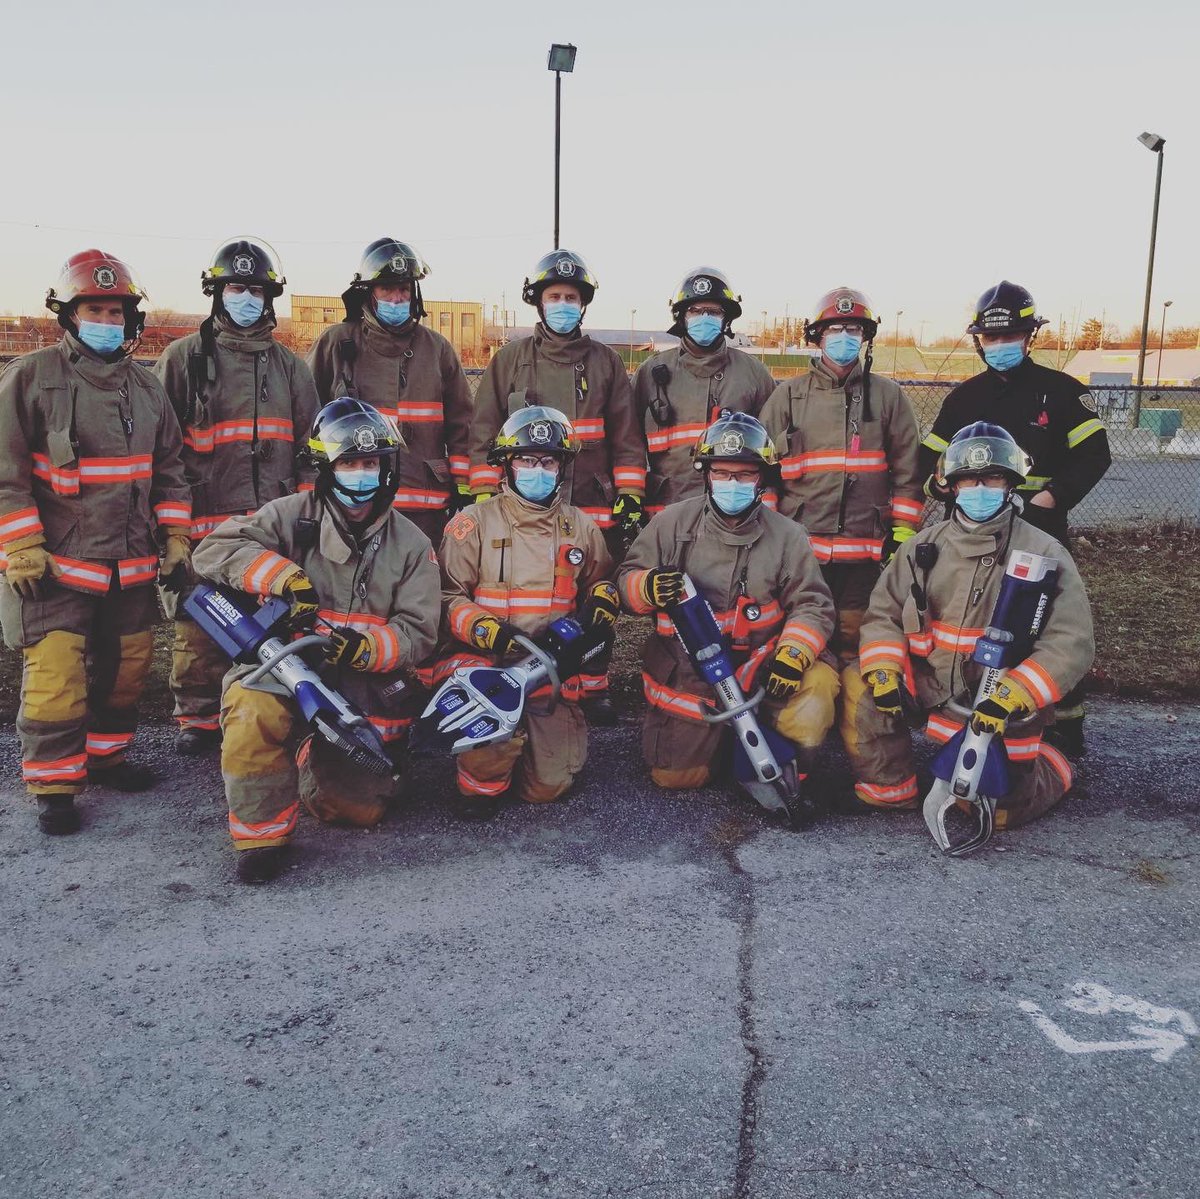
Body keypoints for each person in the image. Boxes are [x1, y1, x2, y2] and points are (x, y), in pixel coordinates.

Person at [191, 399, 440, 883]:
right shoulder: (288, 515)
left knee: (357, 810)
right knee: (251, 710)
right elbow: (215, 550)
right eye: (349, 463)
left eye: (371, 463)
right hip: (282, 664)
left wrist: (366, 649)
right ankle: (261, 838)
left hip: (359, 682)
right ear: (327, 466)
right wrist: (284, 577)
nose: (362, 474)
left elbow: (420, 631)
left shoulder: (411, 544)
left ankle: (311, 755)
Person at [0, 250, 192, 835]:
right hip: (56, 568)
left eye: (116, 311)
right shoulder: (29, 378)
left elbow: (170, 469)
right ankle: (55, 783)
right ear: (69, 315)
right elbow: (5, 472)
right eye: (95, 309)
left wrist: (176, 534)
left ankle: (108, 757)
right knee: (57, 677)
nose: (106, 320)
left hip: (131, 567)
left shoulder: (147, 387)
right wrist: (23, 545)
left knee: (127, 669)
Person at [851, 422, 1094, 828]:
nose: (979, 488)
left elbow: (1071, 640)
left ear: (1011, 482)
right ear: (951, 484)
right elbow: (883, 615)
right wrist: (884, 670)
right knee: (862, 685)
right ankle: (893, 790)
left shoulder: (1043, 553)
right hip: (929, 685)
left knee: (996, 811)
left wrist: (1016, 692)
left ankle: (1053, 764)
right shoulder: (921, 547)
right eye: (968, 479)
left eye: (991, 478)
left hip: (1000, 701)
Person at [917, 281, 1111, 755]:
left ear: (1029, 338)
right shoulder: (964, 399)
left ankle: (1064, 725)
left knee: (1047, 623)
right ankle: (971, 707)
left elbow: (1094, 455)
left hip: (1037, 531)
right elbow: (929, 460)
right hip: (970, 536)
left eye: (1011, 338)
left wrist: (1053, 497)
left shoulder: (1061, 392)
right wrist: (940, 485)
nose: (1001, 347)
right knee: (974, 621)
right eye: (992, 339)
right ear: (979, 341)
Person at [153, 237, 319, 755]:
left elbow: (312, 452)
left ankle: (266, 712)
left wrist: (309, 521)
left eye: (255, 289)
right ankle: (198, 722)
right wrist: (174, 531)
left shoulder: (291, 368)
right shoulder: (181, 360)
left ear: (269, 298)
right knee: (200, 629)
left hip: (271, 531)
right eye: (235, 287)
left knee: (272, 624)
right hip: (204, 529)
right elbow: (163, 453)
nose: (245, 298)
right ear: (216, 292)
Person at [617, 411, 838, 799]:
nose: (731, 484)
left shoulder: (788, 536)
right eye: (721, 473)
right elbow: (626, 580)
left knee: (817, 685)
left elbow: (813, 603)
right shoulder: (671, 524)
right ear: (705, 475)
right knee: (678, 778)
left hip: (765, 667)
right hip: (692, 672)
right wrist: (646, 586)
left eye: (744, 475)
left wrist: (794, 654)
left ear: (762, 479)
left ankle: (790, 773)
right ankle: (720, 745)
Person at [469, 249, 645, 724]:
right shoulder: (509, 361)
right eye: (555, 296)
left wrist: (630, 492)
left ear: (583, 304)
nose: (563, 304)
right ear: (539, 303)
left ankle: (594, 684)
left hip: (591, 505)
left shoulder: (605, 363)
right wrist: (485, 494)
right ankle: (527, 673)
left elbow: (627, 435)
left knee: (595, 595)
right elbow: (483, 432)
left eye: (571, 297)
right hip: (521, 506)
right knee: (532, 592)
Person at [758, 286, 923, 755]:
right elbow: (765, 472)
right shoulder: (786, 396)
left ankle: (857, 723)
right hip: (800, 551)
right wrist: (769, 536)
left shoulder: (889, 398)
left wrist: (902, 534)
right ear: (817, 337)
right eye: (835, 330)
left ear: (865, 337)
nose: (844, 338)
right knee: (799, 636)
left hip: (866, 551)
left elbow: (909, 472)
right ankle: (801, 725)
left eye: (853, 330)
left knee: (855, 638)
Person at [431, 406, 618, 820]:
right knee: (488, 757)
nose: (538, 470)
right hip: (483, 663)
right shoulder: (472, 524)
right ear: (507, 465)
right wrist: (486, 631)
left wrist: (605, 597)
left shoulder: (581, 526)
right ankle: (481, 786)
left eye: (548, 461)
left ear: (562, 467)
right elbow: (445, 597)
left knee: (548, 787)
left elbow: (600, 583)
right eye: (527, 460)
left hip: (548, 667)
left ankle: (535, 745)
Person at [306, 238, 473, 543]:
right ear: (369, 293)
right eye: (387, 289)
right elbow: (307, 420)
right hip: (352, 504)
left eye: (405, 289)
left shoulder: (437, 350)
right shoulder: (336, 344)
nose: (397, 298)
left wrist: (464, 487)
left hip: (426, 511)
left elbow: (463, 426)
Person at [632, 267, 776, 516]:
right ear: (681, 317)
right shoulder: (650, 372)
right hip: (665, 512)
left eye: (713, 312)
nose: (704, 318)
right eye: (695, 311)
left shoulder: (754, 374)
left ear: (726, 318)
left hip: (734, 514)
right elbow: (628, 441)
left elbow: (773, 446)